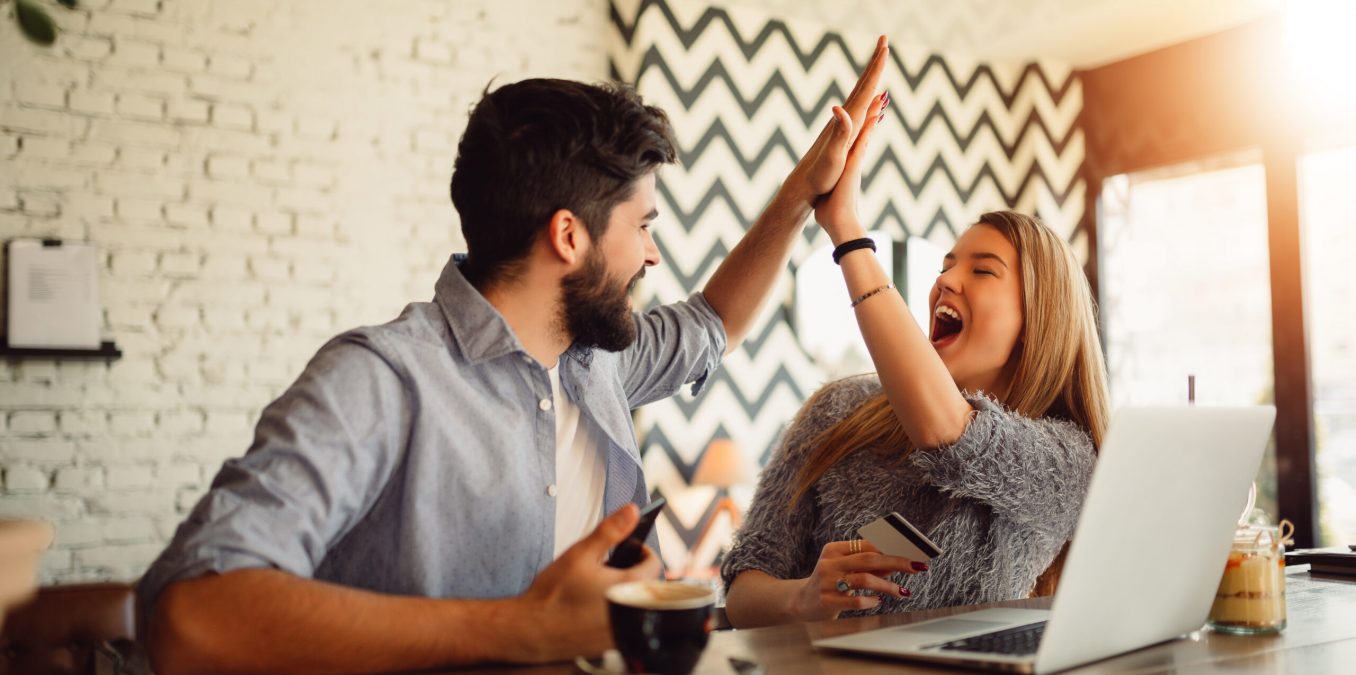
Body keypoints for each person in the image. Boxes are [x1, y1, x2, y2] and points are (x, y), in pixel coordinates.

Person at [138, 39, 894, 673]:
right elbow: (191, 616)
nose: (653, 253)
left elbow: (713, 320)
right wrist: (521, 625)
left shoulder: (598, 363)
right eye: (643, 224)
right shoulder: (380, 379)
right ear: (569, 236)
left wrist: (807, 191)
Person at [721, 90, 1112, 628]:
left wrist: (847, 231)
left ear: (1038, 320)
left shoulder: (1068, 456)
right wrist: (801, 597)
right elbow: (744, 592)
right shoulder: (837, 411)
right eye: (948, 264)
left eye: (982, 270)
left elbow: (951, 433)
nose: (945, 279)